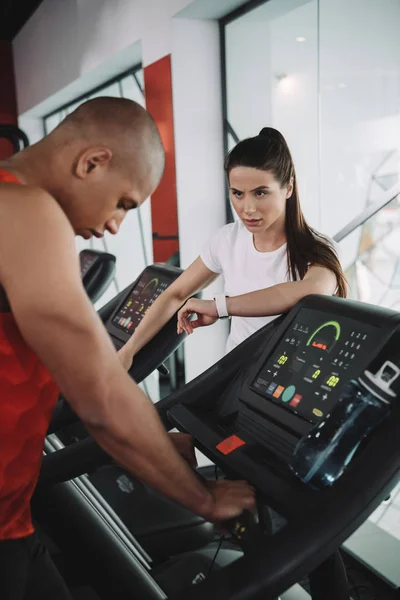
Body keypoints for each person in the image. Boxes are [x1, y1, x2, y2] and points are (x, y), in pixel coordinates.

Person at [0, 97, 255, 600]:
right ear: (92, 162)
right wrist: (200, 497)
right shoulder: (25, 209)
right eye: (124, 203)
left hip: (12, 520)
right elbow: (99, 396)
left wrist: (154, 445)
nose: (116, 225)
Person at [124, 127, 346, 359]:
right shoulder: (227, 240)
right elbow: (175, 294)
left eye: (260, 193)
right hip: (235, 368)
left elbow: (308, 290)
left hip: (288, 377)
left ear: (288, 188)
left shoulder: (320, 248)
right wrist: (127, 354)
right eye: (238, 194)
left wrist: (220, 307)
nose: (247, 209)